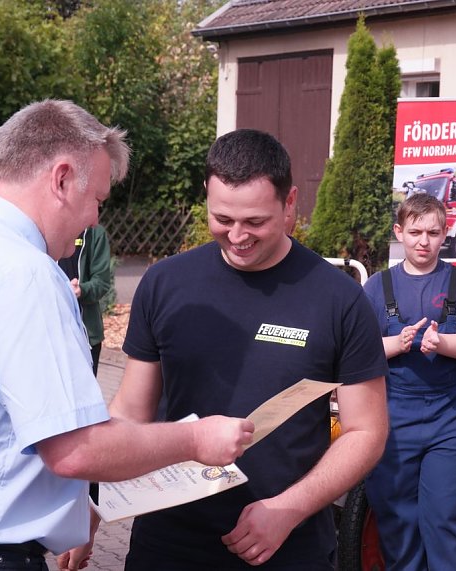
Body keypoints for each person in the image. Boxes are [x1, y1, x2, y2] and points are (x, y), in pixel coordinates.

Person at [0, 99, 254, 570]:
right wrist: (196, 441)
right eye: (97, 199)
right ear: (60, 180)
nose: (94, 220)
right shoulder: (26, 273)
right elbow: (75, 449)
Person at [102, 129, 389, 570]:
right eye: (223, 219)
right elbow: (130, 412)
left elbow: (366, 432)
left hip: (286, 545)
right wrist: (91, 502)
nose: (237, 236)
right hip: (168, 543)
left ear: (290, 202)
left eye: (255, 222)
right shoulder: (165, 284)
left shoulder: (339, 299)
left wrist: (288, 509)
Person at [363, 192, 456, 571]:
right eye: (415, 231)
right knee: (397, 521)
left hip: (452, 417)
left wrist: (444, 342)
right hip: (393, 418)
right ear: (399, 232)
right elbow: (357, 350)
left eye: (434, 232)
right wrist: (397, 342)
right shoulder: (377, 286)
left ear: (445, 234)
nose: (424, 241)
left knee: (448, 520)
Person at [58, 224, 112, 375]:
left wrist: (81, 290)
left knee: (85, 396)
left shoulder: (95, 233)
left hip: (86, 333)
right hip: (53, 333)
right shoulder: (50, 227)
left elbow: (102, 282)